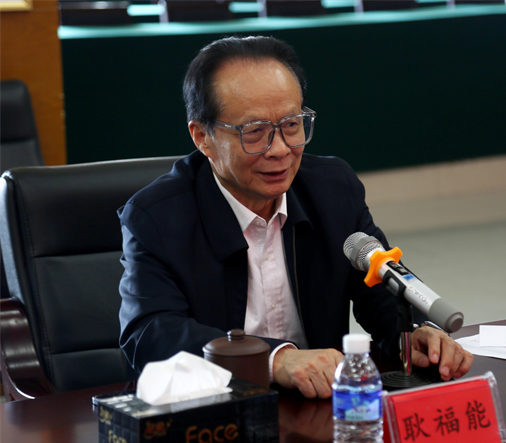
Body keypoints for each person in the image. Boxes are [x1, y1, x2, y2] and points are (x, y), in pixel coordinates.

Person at [118, 35, 473, 399]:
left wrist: (413, 335)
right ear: (202, 137)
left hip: (321, 408)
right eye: (254, 132)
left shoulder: (332, 190)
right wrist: (274, 360)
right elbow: (149, 334)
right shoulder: (156, 218)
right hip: (216, 412)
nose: (280, 149)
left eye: (291, 125)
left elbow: (380, 289)